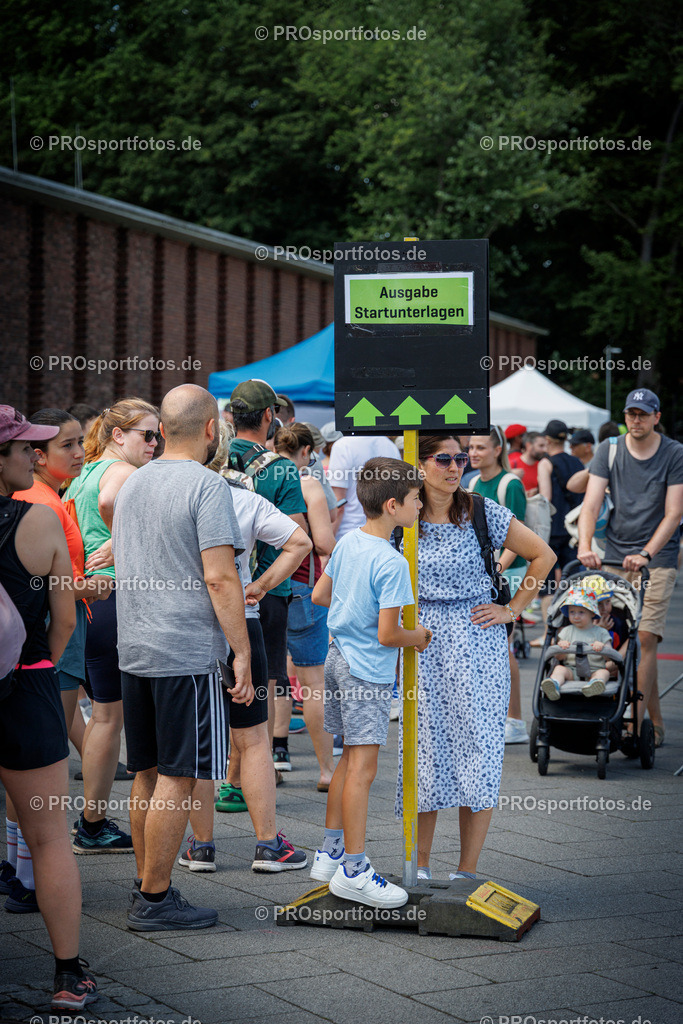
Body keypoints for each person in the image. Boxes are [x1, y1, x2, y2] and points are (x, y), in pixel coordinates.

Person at [112, 385, 253, 930]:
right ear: (213, 430)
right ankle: (155, 898)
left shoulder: (134, 481)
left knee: (146, 772)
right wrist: (241, 651)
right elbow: (220, 576)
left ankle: (147, 885)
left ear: (163, 428)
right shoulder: (207, 485)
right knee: (181, 774)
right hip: (184, 650)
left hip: (137, 646)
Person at [393, 435, 554, 881]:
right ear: (420, 463)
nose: (454, 466)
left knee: (478, 752)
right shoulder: (404, 512)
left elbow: (543, 555)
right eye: (443, 458)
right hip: (421, 644)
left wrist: (512, 610)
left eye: (460, 458)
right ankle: (419, 866)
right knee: (424, 752)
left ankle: (466, 870)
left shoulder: (482, 509)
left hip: (478, 644)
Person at [0, 406, 98, 1011]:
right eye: (23, 449)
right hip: (28, 690)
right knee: (49, 839)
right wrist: (35, 663)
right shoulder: (39, 520)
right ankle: (68, 975)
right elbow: (64, 620)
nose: (33, 458)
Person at [180, 420, 311, 872]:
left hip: (186, 628)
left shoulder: (172, 495)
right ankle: (267, 845)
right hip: (242, 620)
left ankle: (201, 847)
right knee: (253, 740)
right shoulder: (245, 500)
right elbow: (301, 542)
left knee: (198, 744)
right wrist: (260, 584)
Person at [309, 457, 431, 907]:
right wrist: (417, 637)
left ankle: (331, 849)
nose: (422, 507)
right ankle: (355, 870)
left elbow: (321, 595)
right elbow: (388, 634)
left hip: (338, 658)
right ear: (395, 505)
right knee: (363, 766)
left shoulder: (348, 543)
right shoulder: (393, 562)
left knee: (346, 760)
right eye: (417, 500)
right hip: (368, 671)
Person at [64, 399, 159, 853]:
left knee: (100, 715)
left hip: (89, 604)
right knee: (109, 717)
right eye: (147, 435)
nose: (155, 444)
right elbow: (109, 502)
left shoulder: (83, 471)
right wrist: (123, 546)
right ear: (118, 435)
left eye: (158, 434)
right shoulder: (121, 474)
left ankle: (89, 822)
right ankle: (93, 823)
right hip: (113, 599)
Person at [578, 388, 683, 745]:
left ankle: (633, 727)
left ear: (656, 417)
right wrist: (584, 544)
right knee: (623, 635)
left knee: (645, 636)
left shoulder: (674, 453)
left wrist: (648, 554)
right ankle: (654, 721)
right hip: (614, 554)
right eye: (630, 414)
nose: (636, 420)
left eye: (643, 414)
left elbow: (674, 513)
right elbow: (591, 505)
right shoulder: (609, 450)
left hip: (658, 558)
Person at [13, 410, 108, 760]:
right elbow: (44, 583)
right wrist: (95, 586)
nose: (80, 452)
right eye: (66, 445)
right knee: (47, 746)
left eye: (80, 442)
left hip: (61, 624)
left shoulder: (46, 497)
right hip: (57, 626)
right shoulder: (41, 502)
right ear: (38, 456)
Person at [227, 380, 307, 752]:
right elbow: (298, 534)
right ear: (269, 416)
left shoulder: (210, 461)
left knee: (222, 674)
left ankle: (224, 764)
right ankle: (265, 760)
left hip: (218, 582)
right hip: (268, 589)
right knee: (268, 680)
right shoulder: (283, 470)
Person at [272, 424, 336, 788]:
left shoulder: (257, 478)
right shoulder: (308, 484)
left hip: (262, 588)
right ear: (307, 452)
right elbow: (324, 543)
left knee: (268, 679)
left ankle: (265, 763)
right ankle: (327, 770)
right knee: (312, 682)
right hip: (301, 585)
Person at [468, 426, 529, 745]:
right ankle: (493, 715)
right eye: (471, 447)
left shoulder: (510, 484)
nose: (474, 453)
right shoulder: (474, 483)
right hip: (486, 576)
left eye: (481, 447)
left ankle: (516, 720)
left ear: (497, 450)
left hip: (510, 576)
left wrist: (497, 567)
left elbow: (520, 536)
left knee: (504, 651)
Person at [540, 588, 612, 700]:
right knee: (559, 668)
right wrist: (561, 648)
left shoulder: (601, 632)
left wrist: (602, 648)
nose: (576, 616)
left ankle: (594, 684)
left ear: (592, 613)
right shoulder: (566, 631)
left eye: (581, 612)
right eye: (572, 612)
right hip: (571, 671)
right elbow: (559, 657)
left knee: (604, 673)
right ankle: (554, 684)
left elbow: (609, 657)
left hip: (595, 669)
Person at [328, 432, 400, 539]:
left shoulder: (342, 445)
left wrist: (329, 541)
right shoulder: (390, 446)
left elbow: (339, 503)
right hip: (385, 534)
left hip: (349, 532)